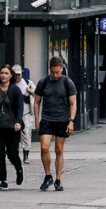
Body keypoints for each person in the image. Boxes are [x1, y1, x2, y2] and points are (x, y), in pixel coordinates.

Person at [32, 56, 77, 192]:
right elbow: (36, 101)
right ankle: (48, 176)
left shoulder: (67, 82)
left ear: (62, 69)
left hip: (62, 119)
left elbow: (73, 103)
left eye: (58, 72)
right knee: (44, 147)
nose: (56, 75)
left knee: (59, 149)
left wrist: (71, 121)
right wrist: (36, 119)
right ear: (49, 70)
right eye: (53, 72)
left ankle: (58, 179)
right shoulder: (43, 82)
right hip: (47, 118)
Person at [0, 68, 25, 188]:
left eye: (6, 73)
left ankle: (19, 169)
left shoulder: (15, 90)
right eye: (2, 73)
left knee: (11, 153)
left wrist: (18, 122)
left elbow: (20, 108)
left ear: (10, 76)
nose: (3, 75)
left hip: (12, 127)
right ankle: (3, 180)